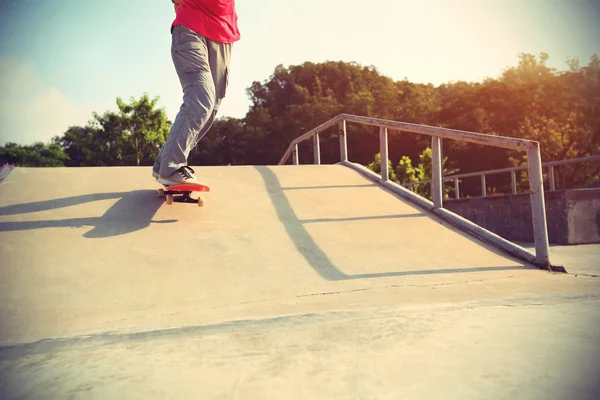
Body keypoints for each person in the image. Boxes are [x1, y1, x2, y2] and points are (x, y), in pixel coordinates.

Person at [152, 0, 240, 185]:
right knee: (202, 97)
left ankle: (163, 163)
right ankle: (171, 167)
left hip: (224, 34)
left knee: (212, 106)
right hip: (191, 27)